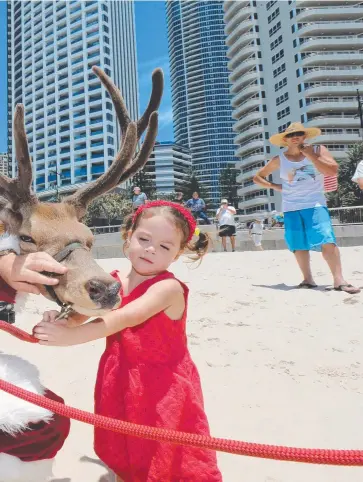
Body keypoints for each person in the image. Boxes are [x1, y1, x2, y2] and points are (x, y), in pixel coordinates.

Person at [33, 201, 222, 482]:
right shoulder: (114, 281)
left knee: (163, 447)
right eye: (144, 239)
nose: (150, 249)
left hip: (162, 384)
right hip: (119, 375)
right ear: (129, 234)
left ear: (177, 253)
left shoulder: (167, 288)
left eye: (164, 247)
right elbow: (86, 312)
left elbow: (123, 318)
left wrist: (70, 338)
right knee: (126, 442)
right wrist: (61, 321)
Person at [253, 122, 360, 293]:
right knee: (298, 244)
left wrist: (310, 155)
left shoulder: (318, 151)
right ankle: (308, 279)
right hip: (290, 207)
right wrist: (276, 186)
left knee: (326, 239)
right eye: (290, 135)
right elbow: (257, 177)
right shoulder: (279, 159)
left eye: (299, 133)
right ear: (285, 140)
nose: (295, 136)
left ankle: (339, 280)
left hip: (315, 204)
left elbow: (332, 171)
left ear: (305, 136)